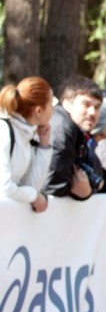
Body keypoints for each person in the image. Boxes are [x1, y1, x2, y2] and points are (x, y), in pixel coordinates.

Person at [44, 77, 106, 201]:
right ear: (67, 104)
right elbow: (53, 187)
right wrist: (84, 194)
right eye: (86, 104)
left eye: (97, 107)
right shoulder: (62, 128)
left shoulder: (75, 130)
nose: (92, 112)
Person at [0, 77, 54, 212]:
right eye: (51, 104)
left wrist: (44, 146)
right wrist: (34, 196)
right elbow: (5, 187)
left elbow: (31, 186)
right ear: (39, 111)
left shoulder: (27, 134)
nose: (54, 109)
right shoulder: (4, 130)